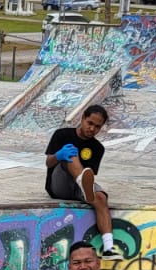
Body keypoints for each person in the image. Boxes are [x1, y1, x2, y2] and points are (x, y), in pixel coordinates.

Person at [44, 104, 115, 257]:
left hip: (80, 188)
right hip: (59, 185)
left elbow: (91, 174)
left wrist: (92, 190)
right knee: (70, 152)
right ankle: (83, 185)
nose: (92, 129)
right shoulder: (61, 135)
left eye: (97, 127)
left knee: (101, 197)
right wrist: (59, 155)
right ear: (82, 118)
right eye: (90, 123)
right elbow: (48, 163)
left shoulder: (98, 148)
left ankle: (109, 246)